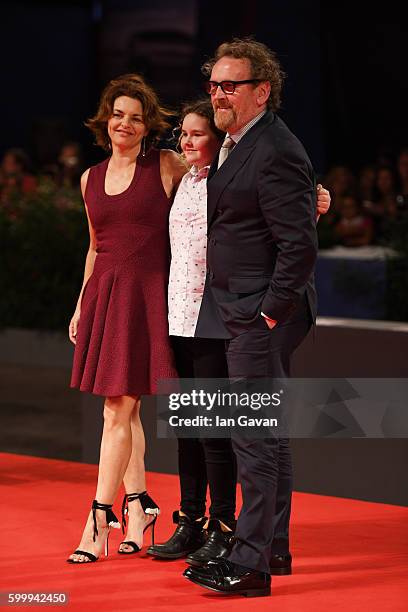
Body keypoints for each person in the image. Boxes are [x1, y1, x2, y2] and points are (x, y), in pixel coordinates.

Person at [147, 99, 331, 567]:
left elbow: (281, 218)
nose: (187, 141)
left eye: (198, 133)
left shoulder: (232, 175)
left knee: (230, 430)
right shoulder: (184, 181)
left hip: (226, 314)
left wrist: (315, 199)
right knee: (192, 425)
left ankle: (230, 529)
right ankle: (193, 519)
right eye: (182, 134)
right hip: (182, 315)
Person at [183, 38, 320, 597]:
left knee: (253, 437)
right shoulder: (237, 143)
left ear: (262, 91)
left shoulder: (275, 148)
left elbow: (299, 245)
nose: (217, 93)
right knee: (267, 436)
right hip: (244, 307)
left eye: (229, 85)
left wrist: (267, 313)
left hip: (259, 312)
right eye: (213, 83)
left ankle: (250, 565)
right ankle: (273, 547)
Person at [67, 73, 186, 563]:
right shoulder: (88, 178)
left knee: (117, 407)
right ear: (106, 120)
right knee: (124, 408)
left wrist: (306, 194)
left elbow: (224, 181)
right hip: (105, 296)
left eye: (136, 118)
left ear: (147, 125)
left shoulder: (165, 165)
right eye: (118, 115)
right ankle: (138, 510)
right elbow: (95, 247)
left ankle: (98, 519)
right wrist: (80, 303)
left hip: (147, 297)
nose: (125, 124)